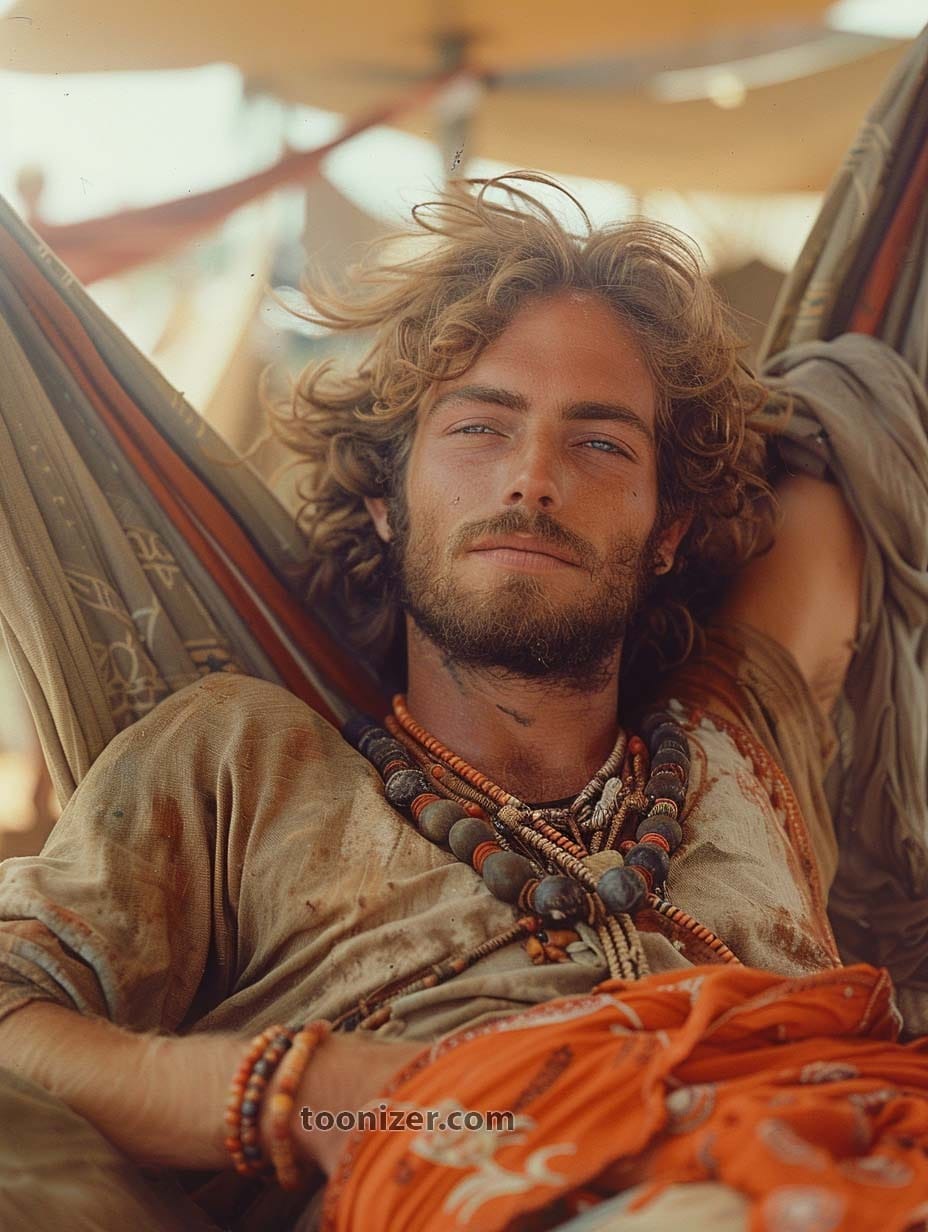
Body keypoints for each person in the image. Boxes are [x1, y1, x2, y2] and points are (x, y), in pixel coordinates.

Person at [0, 175, 869, 1230]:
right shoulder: (244, 759)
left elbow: (842, 424)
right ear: (384, 493)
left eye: (600, 442)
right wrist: (299, 1095)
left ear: (669, 527)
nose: (533, 477)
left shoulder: (731, 734)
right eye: (477, 428)